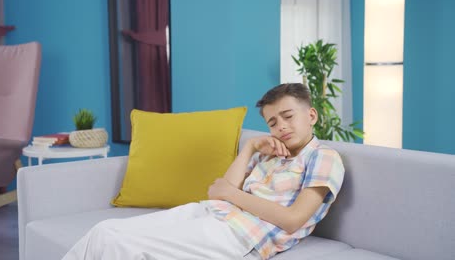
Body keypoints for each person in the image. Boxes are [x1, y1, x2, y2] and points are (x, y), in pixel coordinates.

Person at [62, 83, 345, 260]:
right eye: (272, 122)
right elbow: (216, 192)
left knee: (121, 247)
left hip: (241, 234)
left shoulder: (324, 158)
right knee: (103, 231)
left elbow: (293, 220)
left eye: (288, 116)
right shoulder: (269, 153)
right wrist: (249, 149)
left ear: (311, 116)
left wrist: (230, 194)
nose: (280, 126)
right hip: (210, 212)